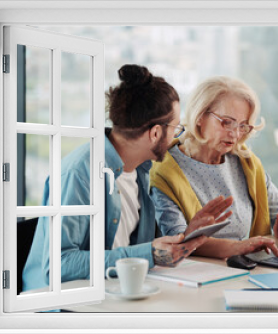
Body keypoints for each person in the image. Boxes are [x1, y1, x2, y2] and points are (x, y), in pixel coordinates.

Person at [22, 65, 233, 292]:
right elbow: (57, 266)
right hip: (63, 306)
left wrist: (187, 236)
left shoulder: (142, 171)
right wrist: (149, 254)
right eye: (175, 127)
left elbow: (138, 249)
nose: (177, 135)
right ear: (154, 133)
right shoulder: (79, 174)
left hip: (116, 292)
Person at [150, 76, 278, 259]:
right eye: (226, 122)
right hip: (196, 274)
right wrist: (244, 246)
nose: (235, 134)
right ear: (200, 116)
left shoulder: (247, 164)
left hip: (243, 268)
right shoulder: (164, 170)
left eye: (242, 126)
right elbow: (179, 240)